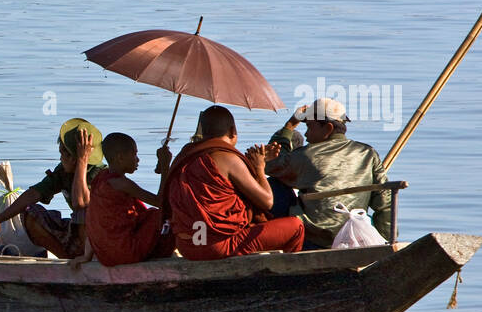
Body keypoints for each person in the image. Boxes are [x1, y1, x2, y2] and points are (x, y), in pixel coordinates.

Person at [161, 105, 304, 260]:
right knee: (296, 227)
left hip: (187, 246)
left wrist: (251, 164)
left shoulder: (184, 157)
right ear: (232, 131)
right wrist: (259, 168)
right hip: (218, 245)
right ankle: (284, 276)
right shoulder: (228, 158)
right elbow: (267, 202)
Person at [268, 98, 392, 248]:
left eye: (309, 127)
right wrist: (383, 241)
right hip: (354, 235)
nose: (306, 135)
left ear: (327, 128)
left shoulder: (307, 155)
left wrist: (289, 126)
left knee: (274, 185)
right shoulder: (368, 153)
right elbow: (385, 203)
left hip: (315, 238)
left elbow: (271, 164)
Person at [0, 118, 105, 258]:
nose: (60, 159)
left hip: (100, 235)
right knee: (31, 213)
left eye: (62, 154)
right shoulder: (63, 172)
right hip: (77, 234)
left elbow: (80, 203)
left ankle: (87, 259)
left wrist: (82, 162)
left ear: (74, 158)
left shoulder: (100, 175)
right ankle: (65, 262)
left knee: (84, 213)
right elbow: (32, 194)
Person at [70, 133, 175, 268]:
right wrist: (166, 166)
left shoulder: (101, 179)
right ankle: (161, 255)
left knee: (148, 215)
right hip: (124, 253)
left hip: (105, 256)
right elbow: (161, 202)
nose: (138, 160)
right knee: (162, 215)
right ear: (120, 157)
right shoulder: (121, 183)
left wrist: (87, 256)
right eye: (134, 154)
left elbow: (94, 219)